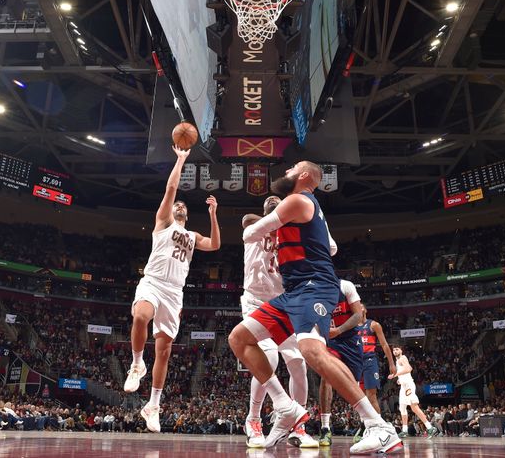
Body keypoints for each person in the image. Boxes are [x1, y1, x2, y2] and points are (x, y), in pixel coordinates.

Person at [228, 161, 402, 454]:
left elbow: (247, 234)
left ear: (304, 175)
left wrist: (271, 225)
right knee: (239, 338)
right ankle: (285, 407)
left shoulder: (297, 200)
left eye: (291, 169)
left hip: (315, 286)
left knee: (310, 352)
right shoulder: (304, 209)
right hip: (293, 292)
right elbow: (330, 246)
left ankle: (378, 426)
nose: (285, 173)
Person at [123, 146, 221, 433]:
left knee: (164, 351)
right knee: (141, 315)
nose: (179, 205)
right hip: (153, 282)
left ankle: (153, 405)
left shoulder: (192, 236)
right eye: (177, 204)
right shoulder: (163, 224)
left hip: (175, 292)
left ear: (188, 216)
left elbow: (214, 245)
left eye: (183, 206)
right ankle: (137, 364)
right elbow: (171, 188)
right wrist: (181, 159)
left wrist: (214, 214)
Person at [240, 195, 314, 448]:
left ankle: (298, 426)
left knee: (298, 364)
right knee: (269, 358)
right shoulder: (255, 227)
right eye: (269, 201)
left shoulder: (291, 234)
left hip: (284, 301)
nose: (273, 200)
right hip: (255, 301)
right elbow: (246, 220)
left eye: (277, 200)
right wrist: (278, 218)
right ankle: (253, 419)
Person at [318, 279, 364, 447]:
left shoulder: (345, 286)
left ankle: (364, 425)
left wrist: (338, 330)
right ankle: (324, 428)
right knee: (326, 376)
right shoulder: (315, 291)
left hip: (350, 339)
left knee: (355, 385)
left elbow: (358, 315)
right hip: (331, 342)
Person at [388, 345, 438, 438]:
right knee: (402, 408)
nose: (395, 351)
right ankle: (404, 431)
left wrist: (395, 375)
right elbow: (404, 372)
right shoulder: (397, 360)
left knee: (414, 407)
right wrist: (400, 379)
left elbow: (409, 369)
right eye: (394, 350)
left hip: (408, 386)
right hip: (404, 386)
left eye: (397, 349)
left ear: (401, 350)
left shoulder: (402, 358)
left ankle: (430, 427)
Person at [356, 306, 397, 421]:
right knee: (360, 398)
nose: (359, 308)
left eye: (361, 306)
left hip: (369, 361)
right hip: (356, 363)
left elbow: (384, 345)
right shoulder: (351, 327)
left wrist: (391, 364)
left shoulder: (374, 325)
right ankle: (365, 427)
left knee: (371, 396)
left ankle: (380, 425)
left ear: (365, 310)